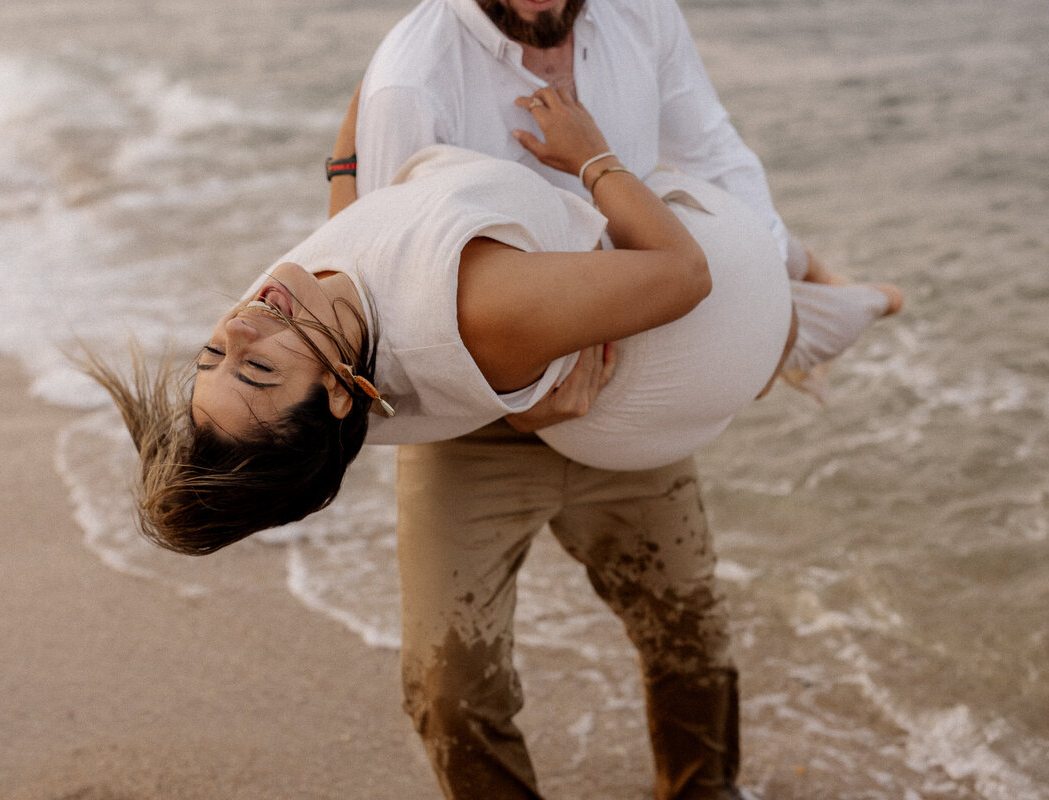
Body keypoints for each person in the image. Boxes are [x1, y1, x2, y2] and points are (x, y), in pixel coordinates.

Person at [84, 86, 900, 795]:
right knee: (447, 684)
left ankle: (702, 791)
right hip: (497, 420)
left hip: (600, 385)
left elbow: (360, 175)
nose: (237, 325)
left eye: (214, 356)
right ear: (340, 393)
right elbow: (685, 279)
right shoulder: (473, 306)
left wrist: (359, 151)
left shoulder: (293, 301)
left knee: (684, 625)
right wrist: (592, 157)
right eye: (255, 368)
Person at [335, 1, 901, 798]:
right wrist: (514, 404)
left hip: (633, 389)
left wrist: (767, 295)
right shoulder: (412, 81)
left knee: (691, 638)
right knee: (450, 689)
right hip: (478, 422)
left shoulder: (643, 17)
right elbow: (392, 296)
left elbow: (711, 150)